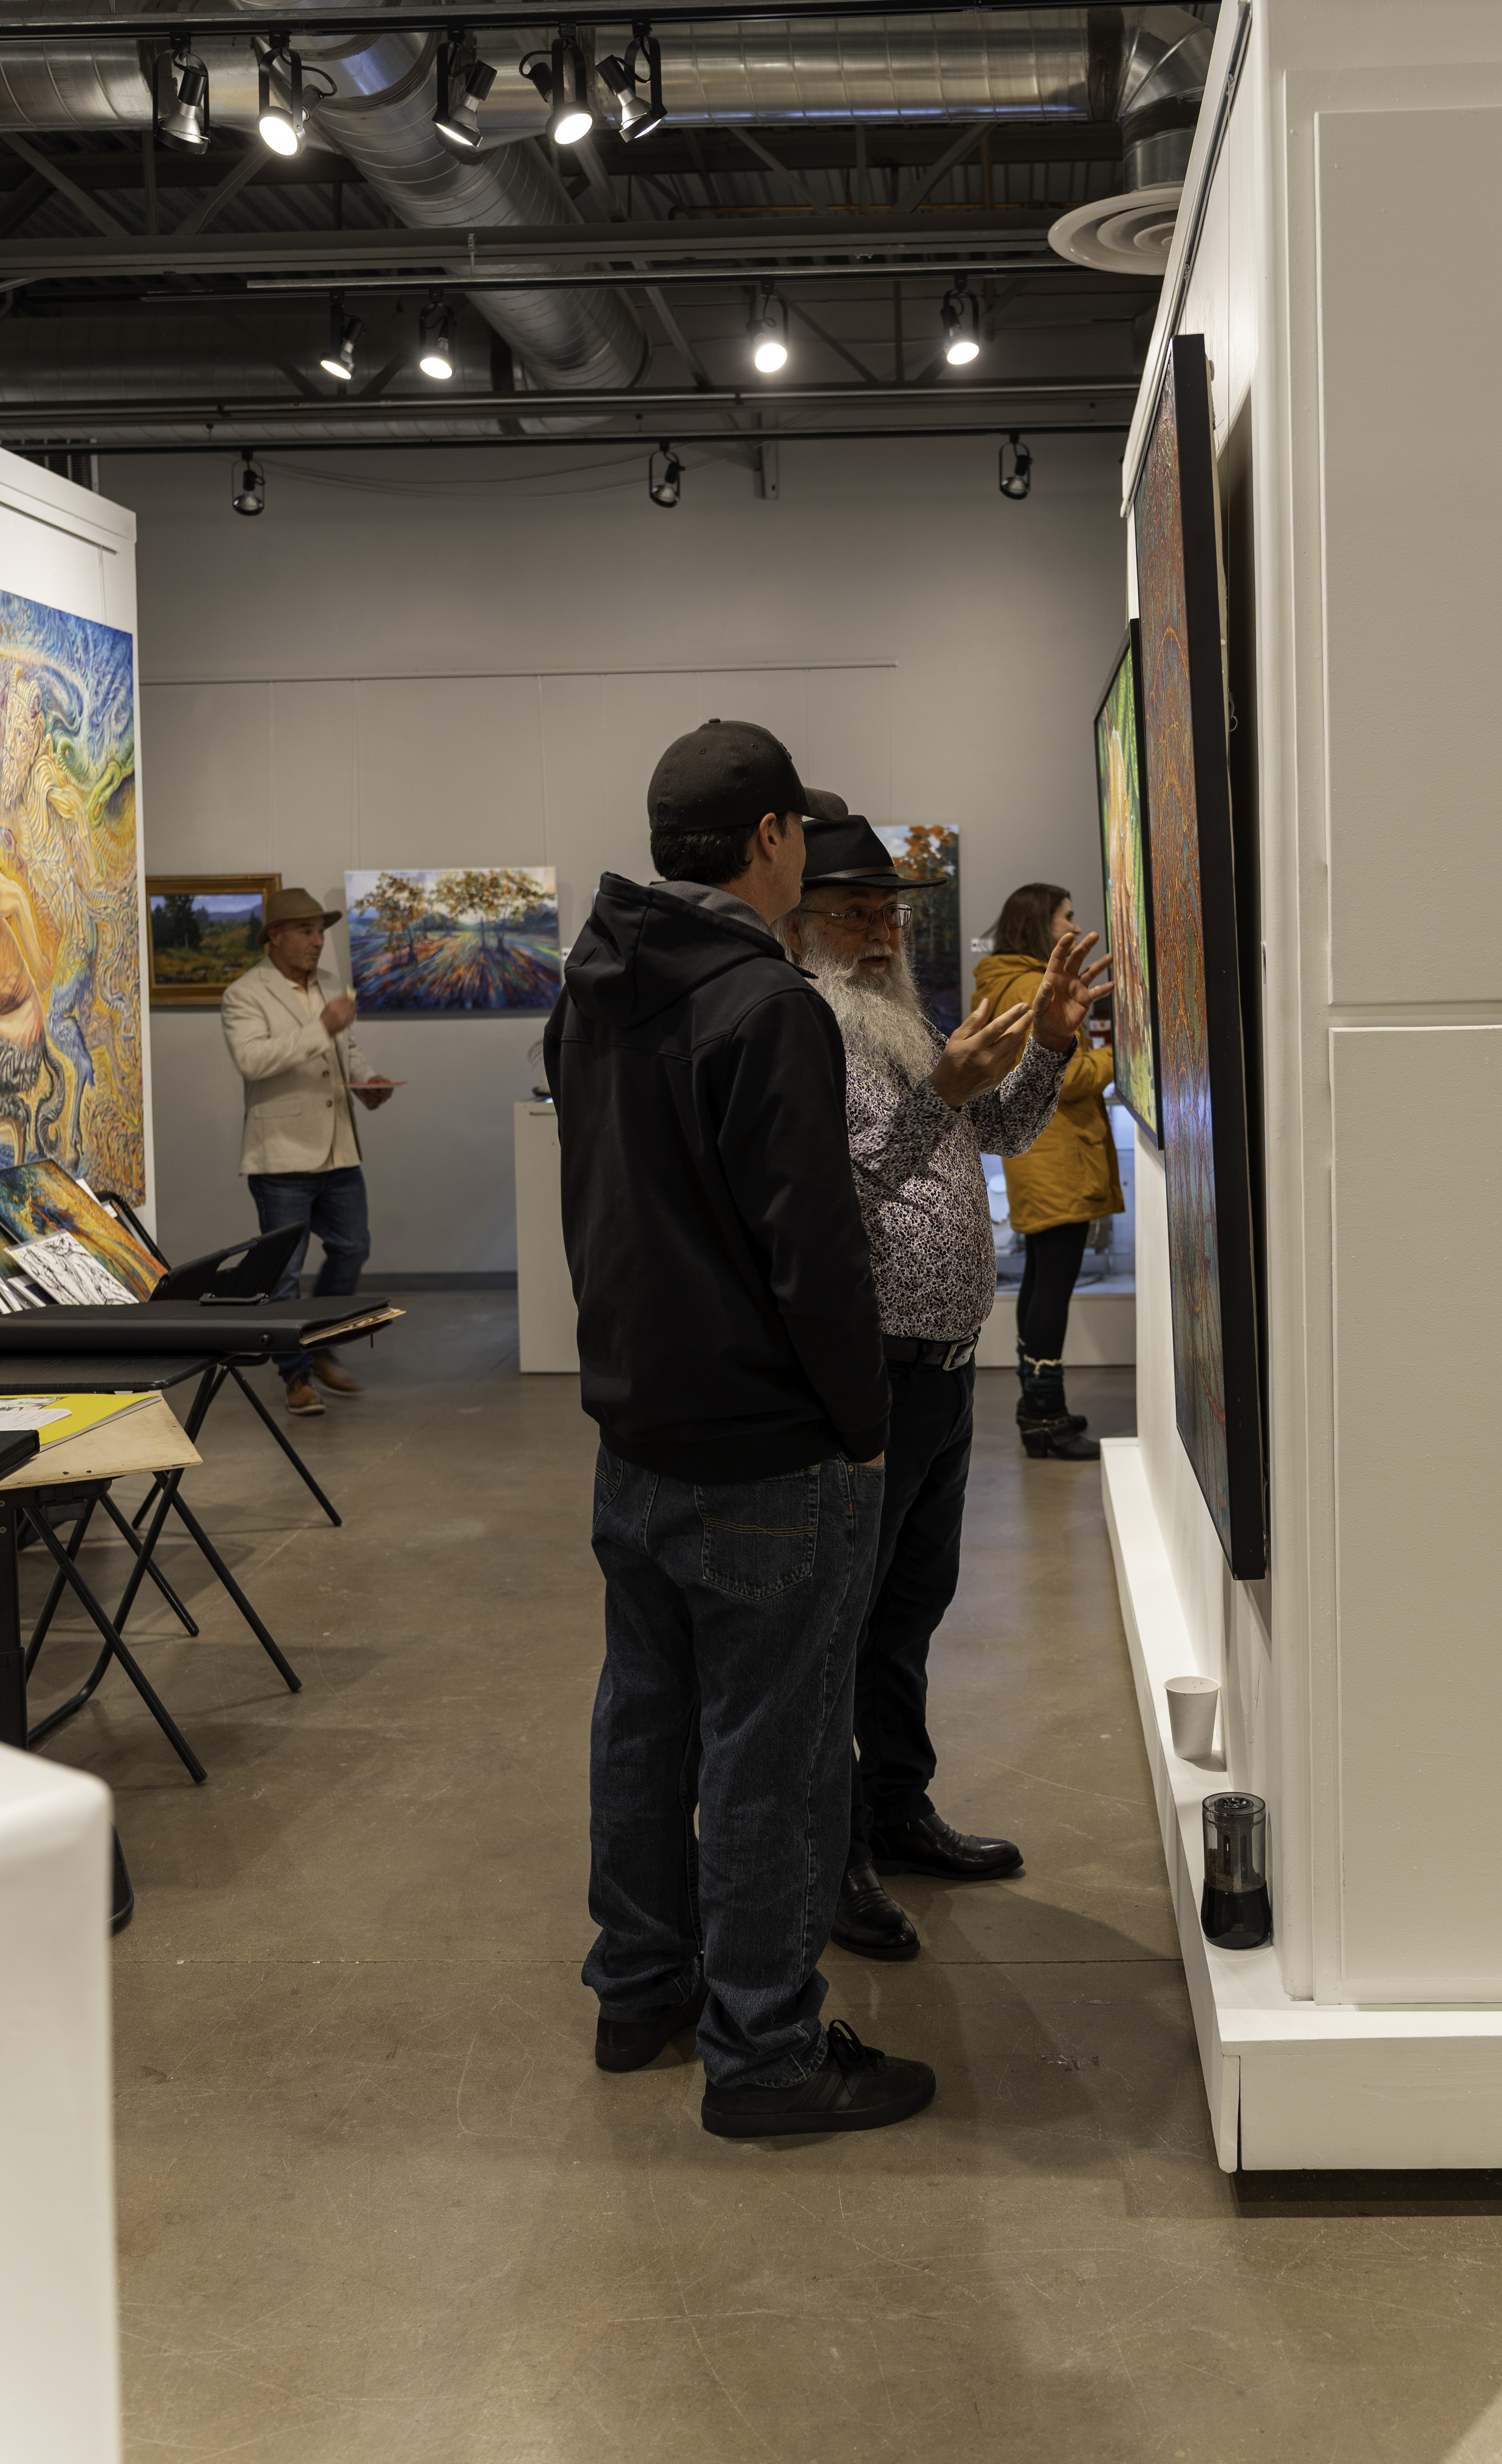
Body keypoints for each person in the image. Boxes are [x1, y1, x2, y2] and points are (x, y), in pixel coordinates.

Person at [544, 720, 935, 2141]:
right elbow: (813, 1254)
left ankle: (640, 1985)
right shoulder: (766, 1006)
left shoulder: (593, 983)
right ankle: (763, 2049)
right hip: (768, 1444)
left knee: (644, 1720)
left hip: (637, 1430)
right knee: (770, 1745)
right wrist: (863, 1421)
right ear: (772, 838)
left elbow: (598, 1211)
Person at [780, 814, 1110, 1963]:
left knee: (910, 1611)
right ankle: (833, 1857)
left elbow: (997, 1128)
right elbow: (825, 1193)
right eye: (853, 912)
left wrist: (1053, 1048)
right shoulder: (802, 1028)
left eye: (891, 911)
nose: (880, 931)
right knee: (844, 1624)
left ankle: (897, 1807)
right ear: (800, 922)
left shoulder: (902, 1012)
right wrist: (941, 1091)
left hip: (946, 1366)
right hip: (869, 1369)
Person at [220, 886, 396, 1421]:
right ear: (274, 936)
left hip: (339, 1149)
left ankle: (318, 1348)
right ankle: (296, 1377)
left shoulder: (323, 986)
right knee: (287, 1275)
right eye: (307, 931)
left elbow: (348, 1050)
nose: (319, 942)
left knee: (353, 1248)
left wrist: (368, 1081)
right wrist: (324, 1027)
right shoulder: (244, 994)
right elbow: (254, 1061)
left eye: (322, 931)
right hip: (281, 1158)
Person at [973, 883, 1123, 1459]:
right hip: (1057, 1156)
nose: (1073, 925)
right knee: (1051, 1287)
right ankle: (1045, 1418)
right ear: (1040, 923)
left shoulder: (1005, 982)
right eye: (1066, 916)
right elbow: (1065, 1075)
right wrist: (1124, 1057)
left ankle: (1038, 1408)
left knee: (1042, 1280)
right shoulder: (1033, 986)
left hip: (1042, 1156)